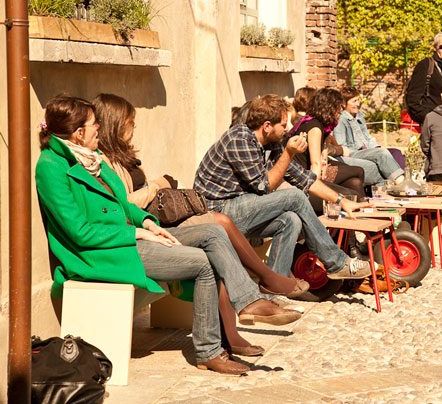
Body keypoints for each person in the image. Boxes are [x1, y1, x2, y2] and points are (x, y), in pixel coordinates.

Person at [36, 95, 300, 376]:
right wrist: (136, 232)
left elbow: (125, 206)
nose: (98, 127)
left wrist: (149, 224)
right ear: (78, 134)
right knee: (202, 262)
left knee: (213, 231)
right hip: (102, 254)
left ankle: (248, 301)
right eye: (93, 124)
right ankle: (209, 351)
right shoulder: (51, 167)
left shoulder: (93, 158)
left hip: (129, 239)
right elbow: (80, 232)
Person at [194, 94, 372, 280]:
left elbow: (305, 179)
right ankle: (336, 263)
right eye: (283, 124)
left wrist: (342, 201)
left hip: (242, 206)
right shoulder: (239, 139)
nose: (288, 129)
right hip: (218, 211)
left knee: (291, 220)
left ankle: (274, 288)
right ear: (267, 126)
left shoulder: (273, 143)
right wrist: (289, 152)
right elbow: (263, 186)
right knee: (294, 196)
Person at [289, 87, 366, 206]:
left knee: (354, 182)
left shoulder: (317, 123)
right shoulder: (314, 127)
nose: (340, 114)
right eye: (338, 111)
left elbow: (322, 153)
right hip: (303, 178)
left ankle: (363, 213)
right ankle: (361, 211)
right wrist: (317, 189)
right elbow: (315, 164)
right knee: (356, 177)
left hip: (313, 170)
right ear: (329, 108)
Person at [333, 87, 404, 186]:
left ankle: (396, 181)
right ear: (344, 104)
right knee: (381, 153)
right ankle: (401, 184)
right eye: (354, 101)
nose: (358, 104)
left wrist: (375, 149)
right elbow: (342, 147)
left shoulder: (359, 116)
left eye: (358, 100)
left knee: (395, 152)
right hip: (353, 153)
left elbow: (368, 138)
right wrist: (375, 153)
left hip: (366, 151)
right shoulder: (341, 120)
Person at [405, 31, 442, 126]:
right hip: (431, 121)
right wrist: (429, 118)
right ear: (435, 47)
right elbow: (412, 99)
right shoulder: (425, 66)